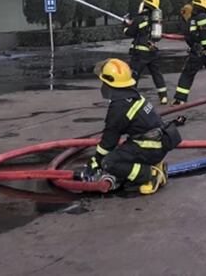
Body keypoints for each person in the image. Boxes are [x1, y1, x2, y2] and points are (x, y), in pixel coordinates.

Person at [77, 58, 181, 194]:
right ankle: (154, 167)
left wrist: (96, 161)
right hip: (157, 144)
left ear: (109, 83)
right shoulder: (133, 94)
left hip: (150, 148)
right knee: (121, 153)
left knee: (110, 163)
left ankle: (149, 175)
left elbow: (109, 139)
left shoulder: (119, 106)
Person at [123, 0, 167, 104]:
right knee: (157, 74)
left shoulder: (139, 19)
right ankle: (163, 97)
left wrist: (125, 25)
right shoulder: (154, 20)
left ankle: (130, 97)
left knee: (134, 75)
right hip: (152, 51)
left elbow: (130, 32)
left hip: (140, 54)